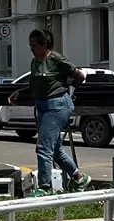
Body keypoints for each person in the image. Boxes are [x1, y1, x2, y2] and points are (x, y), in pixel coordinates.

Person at [9, 29, 91, 194]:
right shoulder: (35, 63)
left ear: (44, 44)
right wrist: (19, 92)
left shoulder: (57, 59)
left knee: (43, 147)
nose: (32, 49)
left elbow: (80, 75)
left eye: (34, 46)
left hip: (57, 105)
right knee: (54, 149)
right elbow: (34, 84)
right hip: (42, 106)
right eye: (30, 46)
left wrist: (70, 90)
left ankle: (44, 188)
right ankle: (79, 178)